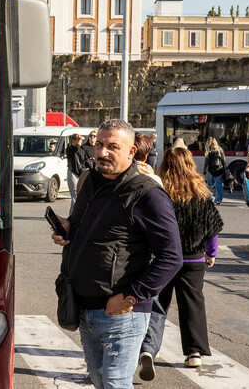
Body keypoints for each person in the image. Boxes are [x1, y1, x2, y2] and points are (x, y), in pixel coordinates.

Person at [49, 119, 182, 389]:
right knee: (99, 381)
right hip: (84, 306)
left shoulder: (148, 195)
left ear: (132, 152)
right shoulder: (91, 182)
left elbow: (171, 257)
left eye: (112, 147)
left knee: (116, 384)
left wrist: (130, 297)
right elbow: (82, 223)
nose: (102, 152)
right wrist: (68, 229)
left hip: (122, 313)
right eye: (99, 144)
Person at [138, 146, 223, 378]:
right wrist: (211, 252)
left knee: (156, 304)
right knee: (192, 305)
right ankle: (194, 353)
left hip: (163, 259)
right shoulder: (201, 194)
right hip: (194, 258)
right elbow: (212, 228)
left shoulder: (159, 192)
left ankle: (147, 348)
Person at [65, 134, 89, 205]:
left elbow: (85, 159)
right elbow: (75, 150)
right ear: (73, 140)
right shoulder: (70, 149)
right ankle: (73, 213)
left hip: (81, 172)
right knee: (74, 195)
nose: (80, 142)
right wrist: (78, 144)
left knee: (81, 193)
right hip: (73, 172)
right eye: (78, 140)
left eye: (81, 140)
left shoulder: (82, 150)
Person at [203, 136, 227, 204]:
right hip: (219, 169)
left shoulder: (208, 150)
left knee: (209, 185)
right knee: (219, 185)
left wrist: (204, 171)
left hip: (210, 170)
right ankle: (218, 199)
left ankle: (211, 198)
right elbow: (224, 160)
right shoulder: (220, 149)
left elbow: (206, 162)